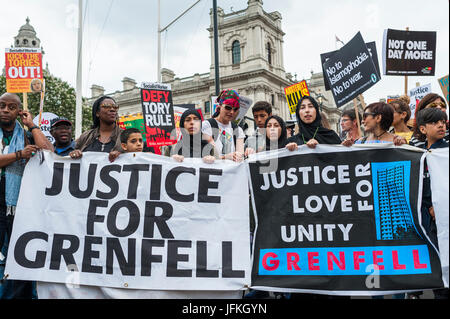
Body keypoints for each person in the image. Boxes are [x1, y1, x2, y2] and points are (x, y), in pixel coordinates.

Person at [0, 92, 53, 299]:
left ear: (18, 111)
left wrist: (31, 124)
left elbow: (47, 151)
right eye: (2, 106)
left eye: (11, 107)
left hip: (18, 206)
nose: (5, 110)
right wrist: (19, 155)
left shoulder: (24, 134)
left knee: (20, 256)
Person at [407, 108, 448, 300]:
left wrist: (438, 205)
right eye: (434, 122)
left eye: (443, 121)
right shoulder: (416, 152)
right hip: (422, 219)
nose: (441, 125)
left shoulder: (446, 152)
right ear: (423, 129)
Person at [69, 95, 123, 161]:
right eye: (106, 106)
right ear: (97, 113)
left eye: (115, 107)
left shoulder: (126, 136)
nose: (112, 109)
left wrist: (123, 155)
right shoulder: (85, 137)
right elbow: (69, 158)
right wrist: (74, 154)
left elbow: (136, 156)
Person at [202, 89, 245, 162]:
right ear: (220, 106)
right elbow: (208, 155)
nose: (231, 112)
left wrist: (239, 156)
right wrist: (226, 157)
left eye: (235, 109)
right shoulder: (206, 125)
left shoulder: (238, 130)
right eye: (228, 108)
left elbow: (241, 155)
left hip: (232, 171)